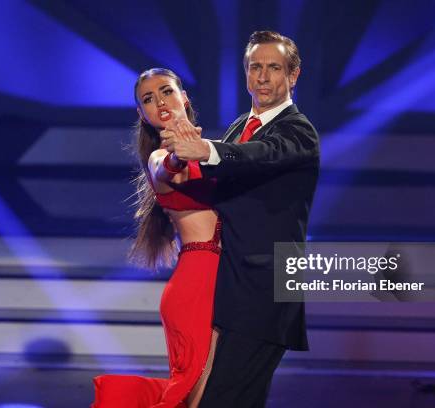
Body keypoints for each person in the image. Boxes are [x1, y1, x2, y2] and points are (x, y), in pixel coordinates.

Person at [161, 31, 320, 407]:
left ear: (294, 75)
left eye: (274, 68)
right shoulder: (238, 127)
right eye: (255, 67)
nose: (263, 77)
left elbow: (261, 154)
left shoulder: (298, 131)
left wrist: (206, 150)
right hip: (228, 289)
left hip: (264, 292)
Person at [92, 68, 220, 408]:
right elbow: (168, 168)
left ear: (184, 97)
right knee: (199, 392)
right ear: (142, 114)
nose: (160, 102)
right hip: (197, 284)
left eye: (166, 91)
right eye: (149, 99)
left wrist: (198, 149)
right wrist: (181, 153)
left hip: (222, 281)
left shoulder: (213, 151)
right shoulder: (159, 158)